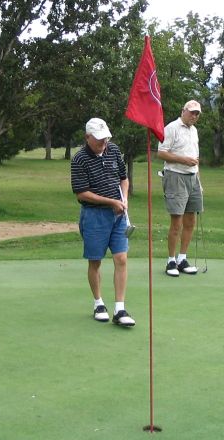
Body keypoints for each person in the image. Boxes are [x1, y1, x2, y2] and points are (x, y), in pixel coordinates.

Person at [70, 118, 135, 327]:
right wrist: (111, 202)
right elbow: (82, 193)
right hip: (94, 216)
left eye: (105, 138)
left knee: (121, 258)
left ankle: (120, 308)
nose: (103, 143)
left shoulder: (113, 150)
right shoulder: (79, 159)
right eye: (99, 140)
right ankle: (98, 303)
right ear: (87, 137)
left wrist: (123, 198)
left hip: (118, 216)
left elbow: (123, 178)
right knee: (95, 261)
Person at [157, 100, 204, 277]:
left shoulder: (194, 131)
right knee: (176, 221)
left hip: (193, 178)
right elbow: (161, 152)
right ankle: (170, 260)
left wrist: (199, 181)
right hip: (175, 176)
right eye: (191, 112)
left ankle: (182, 259)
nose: (194, 116)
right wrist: (184, 160)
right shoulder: (172, 128)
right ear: (183, 111)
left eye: (197, 113)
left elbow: (195, 159)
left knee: (190, 220)